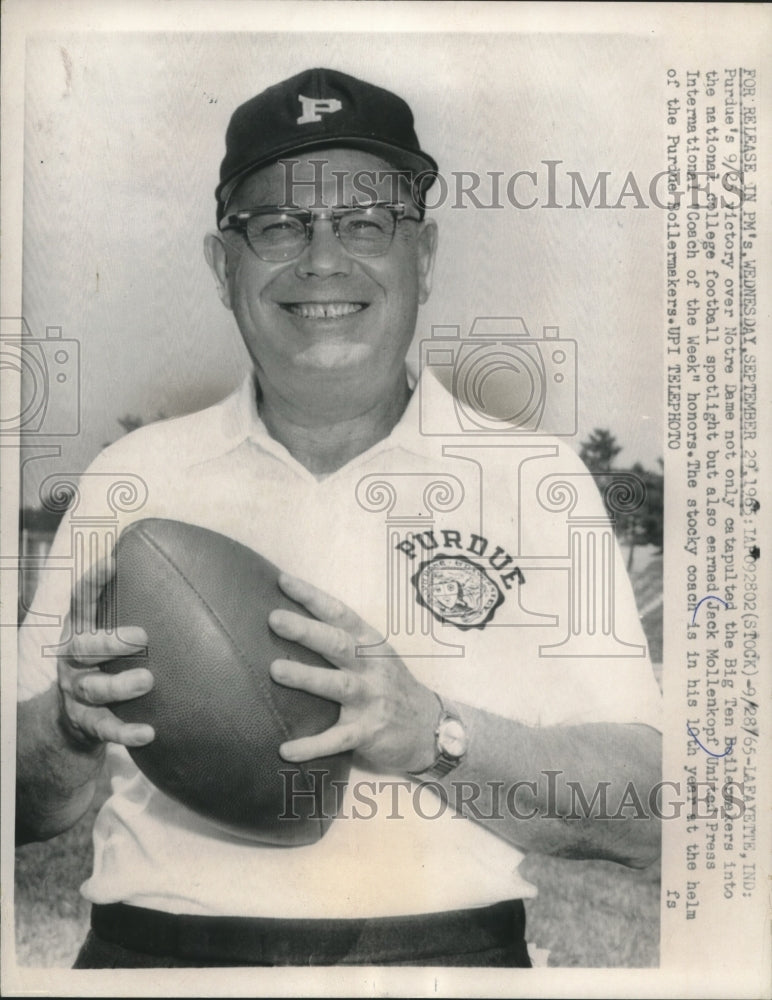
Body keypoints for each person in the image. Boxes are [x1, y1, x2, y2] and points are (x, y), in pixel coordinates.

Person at [16, 67, 662, 968]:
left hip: (446, 965)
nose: (323, 259)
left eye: (366, 223)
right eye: (278, 225)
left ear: (425, 256)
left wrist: (432, 732)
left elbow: (657, 814)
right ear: (221, 264)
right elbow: (24, 812)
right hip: (155, 962)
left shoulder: (535, 477)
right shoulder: (133, 477)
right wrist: (66, 725)